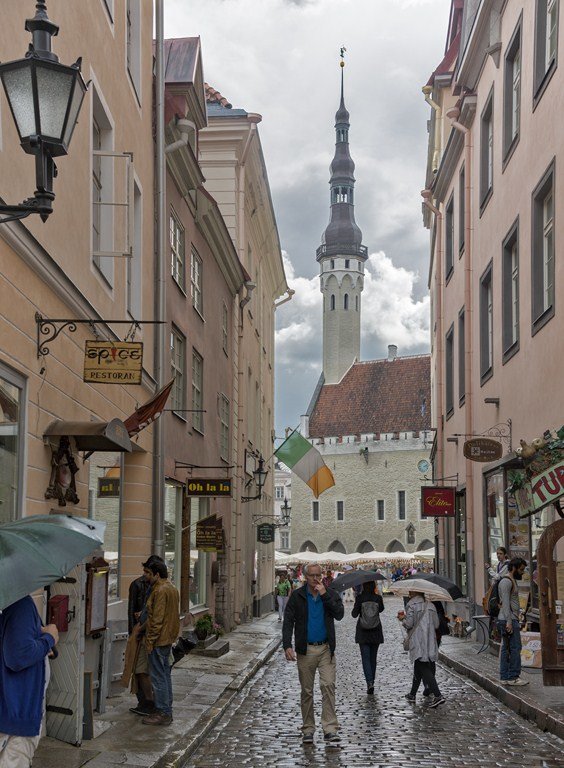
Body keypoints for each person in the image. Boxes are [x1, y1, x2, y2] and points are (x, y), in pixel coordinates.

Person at [282, 563, 344, 746]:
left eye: (319, 575)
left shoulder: (330, 594)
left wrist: (325, 595)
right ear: (306, 577)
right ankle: (308, 729)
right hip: (305, 650)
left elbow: (339, 614)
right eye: (312, 575)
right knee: (307, 691)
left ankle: (330, 729)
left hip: (326, 649)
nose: (316, 578)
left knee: (328, 686)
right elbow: (288, 621)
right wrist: (287, 645)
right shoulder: (297, 596)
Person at [0, 596, 59, 767]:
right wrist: (50, 638)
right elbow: (18, 656)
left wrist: (43, 645)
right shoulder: (19, 603)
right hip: (15, 717)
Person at [142, 560, 180, 726]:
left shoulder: (160, 590)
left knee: (158, 678)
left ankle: (163, 712)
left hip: (159, 640)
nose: (145, 576)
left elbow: (157, 619)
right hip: (167, 638)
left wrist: (150, 641)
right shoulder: (172, 588)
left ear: (157, 574)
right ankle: (166, 709)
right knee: (165, 675)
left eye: (148, 573)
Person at [126, 555, 164, 716]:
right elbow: (131, 609)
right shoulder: (137, 584)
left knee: (150, 671)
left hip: (155, 635)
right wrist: (132, 634)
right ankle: (145, 702)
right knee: (139, 670)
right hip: (141, 632)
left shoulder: (161, 588)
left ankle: (153, 703)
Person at [401, 591, 445, 708]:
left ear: (415, 592)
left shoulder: (411, 605)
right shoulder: (430, 605)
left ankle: (438, 695)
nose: (409, 592)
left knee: (423, 667)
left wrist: (402, 620)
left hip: (418, 640)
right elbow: (436, 624)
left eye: (411, 590)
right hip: (429, 640)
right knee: (419, 664)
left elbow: (409, 624)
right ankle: (412, 694)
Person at [498, 557, 528, 686]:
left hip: (508, 619)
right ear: (514, 568)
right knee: (514, 648)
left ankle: (505, 677)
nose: (523, 572)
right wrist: (509, 622)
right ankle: (513, 677)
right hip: (507, 619)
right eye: (521, 569)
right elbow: (505, 603)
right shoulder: (506, 582)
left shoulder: (511, 580)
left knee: (508, 649)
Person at [351, 581, 384, 694]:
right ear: (374, 586)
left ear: (363, 586)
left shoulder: (360, 598)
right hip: (376, 630)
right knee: (372, 658)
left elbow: (354, 614)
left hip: (363, 631)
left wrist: (358, 606)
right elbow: (381, 609)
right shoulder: (378, 598)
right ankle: (372, 681)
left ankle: (369, 682)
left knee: (365, 658)